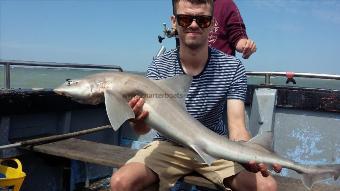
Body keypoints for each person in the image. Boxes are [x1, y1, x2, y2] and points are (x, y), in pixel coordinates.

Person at [110, 0, 281, 190]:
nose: (193, 25)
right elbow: (142, 130)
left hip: (214, 145)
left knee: (267, 187)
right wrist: (136, 119)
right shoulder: (159, 67)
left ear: (212, 24)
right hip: (168, 146)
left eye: (202, 20)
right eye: (184, 19)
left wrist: (248, 153)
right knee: (120, 182)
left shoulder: (232, 68)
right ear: (174, 22)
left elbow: (237, 127)